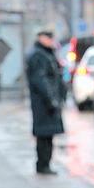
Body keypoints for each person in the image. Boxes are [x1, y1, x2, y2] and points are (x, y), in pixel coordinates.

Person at [26, 31, 65, 175]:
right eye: (48, 38)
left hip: (48, 103)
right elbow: (40, 80)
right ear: (41, 38)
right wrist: (52, 100)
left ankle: (45, 164)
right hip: (44, 104)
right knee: (44, 135)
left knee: (48, 135)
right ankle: (43, 165)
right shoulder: (39, 55)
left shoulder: (47, 54)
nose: (51, 40)